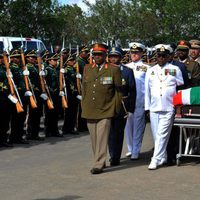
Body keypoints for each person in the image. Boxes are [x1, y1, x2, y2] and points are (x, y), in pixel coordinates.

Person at [81, 43, 122, 174]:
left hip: (106, 108)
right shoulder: (87, 68)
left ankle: (98, 163)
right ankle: (100, 160)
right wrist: (83, 106)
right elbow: (85, 89)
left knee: (102, 137)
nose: (97, 57)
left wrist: (115, 108)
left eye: (100, 54)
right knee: (94, 138)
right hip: (90, 109)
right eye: (95, 54)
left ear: (105, 55)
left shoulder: (113, 69)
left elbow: (118, 91)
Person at [145, 44, 184, 170]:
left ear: (168, 57)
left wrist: (178, 106)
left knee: (162, 134)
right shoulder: (150, 70)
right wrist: (147, 107)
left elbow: (179, 87)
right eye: (159, 56)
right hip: (154, 107)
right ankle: (163, 157)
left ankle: (155, 159)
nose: (161, 58)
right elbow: (147, 91)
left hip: (168, 107)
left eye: (164, 56)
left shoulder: (174, 69)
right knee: (157, 135)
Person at [108, 47, 136, 166]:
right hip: (107, 105)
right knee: (109, 132)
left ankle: (116, 157)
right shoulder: (105, 70)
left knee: (118, 132)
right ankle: (112, 154)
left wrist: (131, 108)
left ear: (120, 58)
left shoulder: (127, 71)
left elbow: (132, 91)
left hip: (122, 105)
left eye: (116, 56)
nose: (113, 59)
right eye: (111, 57)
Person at [125, 42, 150, 160]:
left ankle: (136, 150)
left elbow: (148, 87)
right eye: (132, 52)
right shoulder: (125, 67)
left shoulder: (146, 68)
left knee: (138, 127)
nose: (134, 54)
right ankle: (130, 148)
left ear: (141, 53)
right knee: (128, 127)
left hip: (140, 101)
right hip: (127, 102)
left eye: (136, 52)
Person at [9, 49, 29, 144]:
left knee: (22, 117)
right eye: (15, 57)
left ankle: (19, 136)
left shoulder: (21, 68)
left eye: (18, 57)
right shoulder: (11, 68)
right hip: (16, 95)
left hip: (23, 95)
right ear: (11, 58)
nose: (17, 59)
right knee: (15, 118)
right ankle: (13, 137)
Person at [44, 52, 63, 137]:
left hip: (56, 94)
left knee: (55, 113)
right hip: (50, 94)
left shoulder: (56, 69)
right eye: (54, 60)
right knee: (49, 113)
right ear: (49, 61)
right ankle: (48, 131)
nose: (56, 61)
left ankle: (54, 130)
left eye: (56, 60)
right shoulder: (47, 70)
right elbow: (45, 83)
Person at [62, 53, 79, 135]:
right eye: (71, 60)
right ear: (67, 62)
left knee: (73, 111)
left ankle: (71, 127)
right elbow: (67, 82)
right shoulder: (66, 70)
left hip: (74, 93)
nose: (73, 62)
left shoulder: (74, 69)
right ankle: (66, 128)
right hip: (69, 93)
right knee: (69, 112)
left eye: (73, 60)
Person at [0, 50, 12, 147]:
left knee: (5, 120)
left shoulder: (6, 68)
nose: (3, 59)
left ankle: (3, 139)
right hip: (1, 97)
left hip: (6, 98)